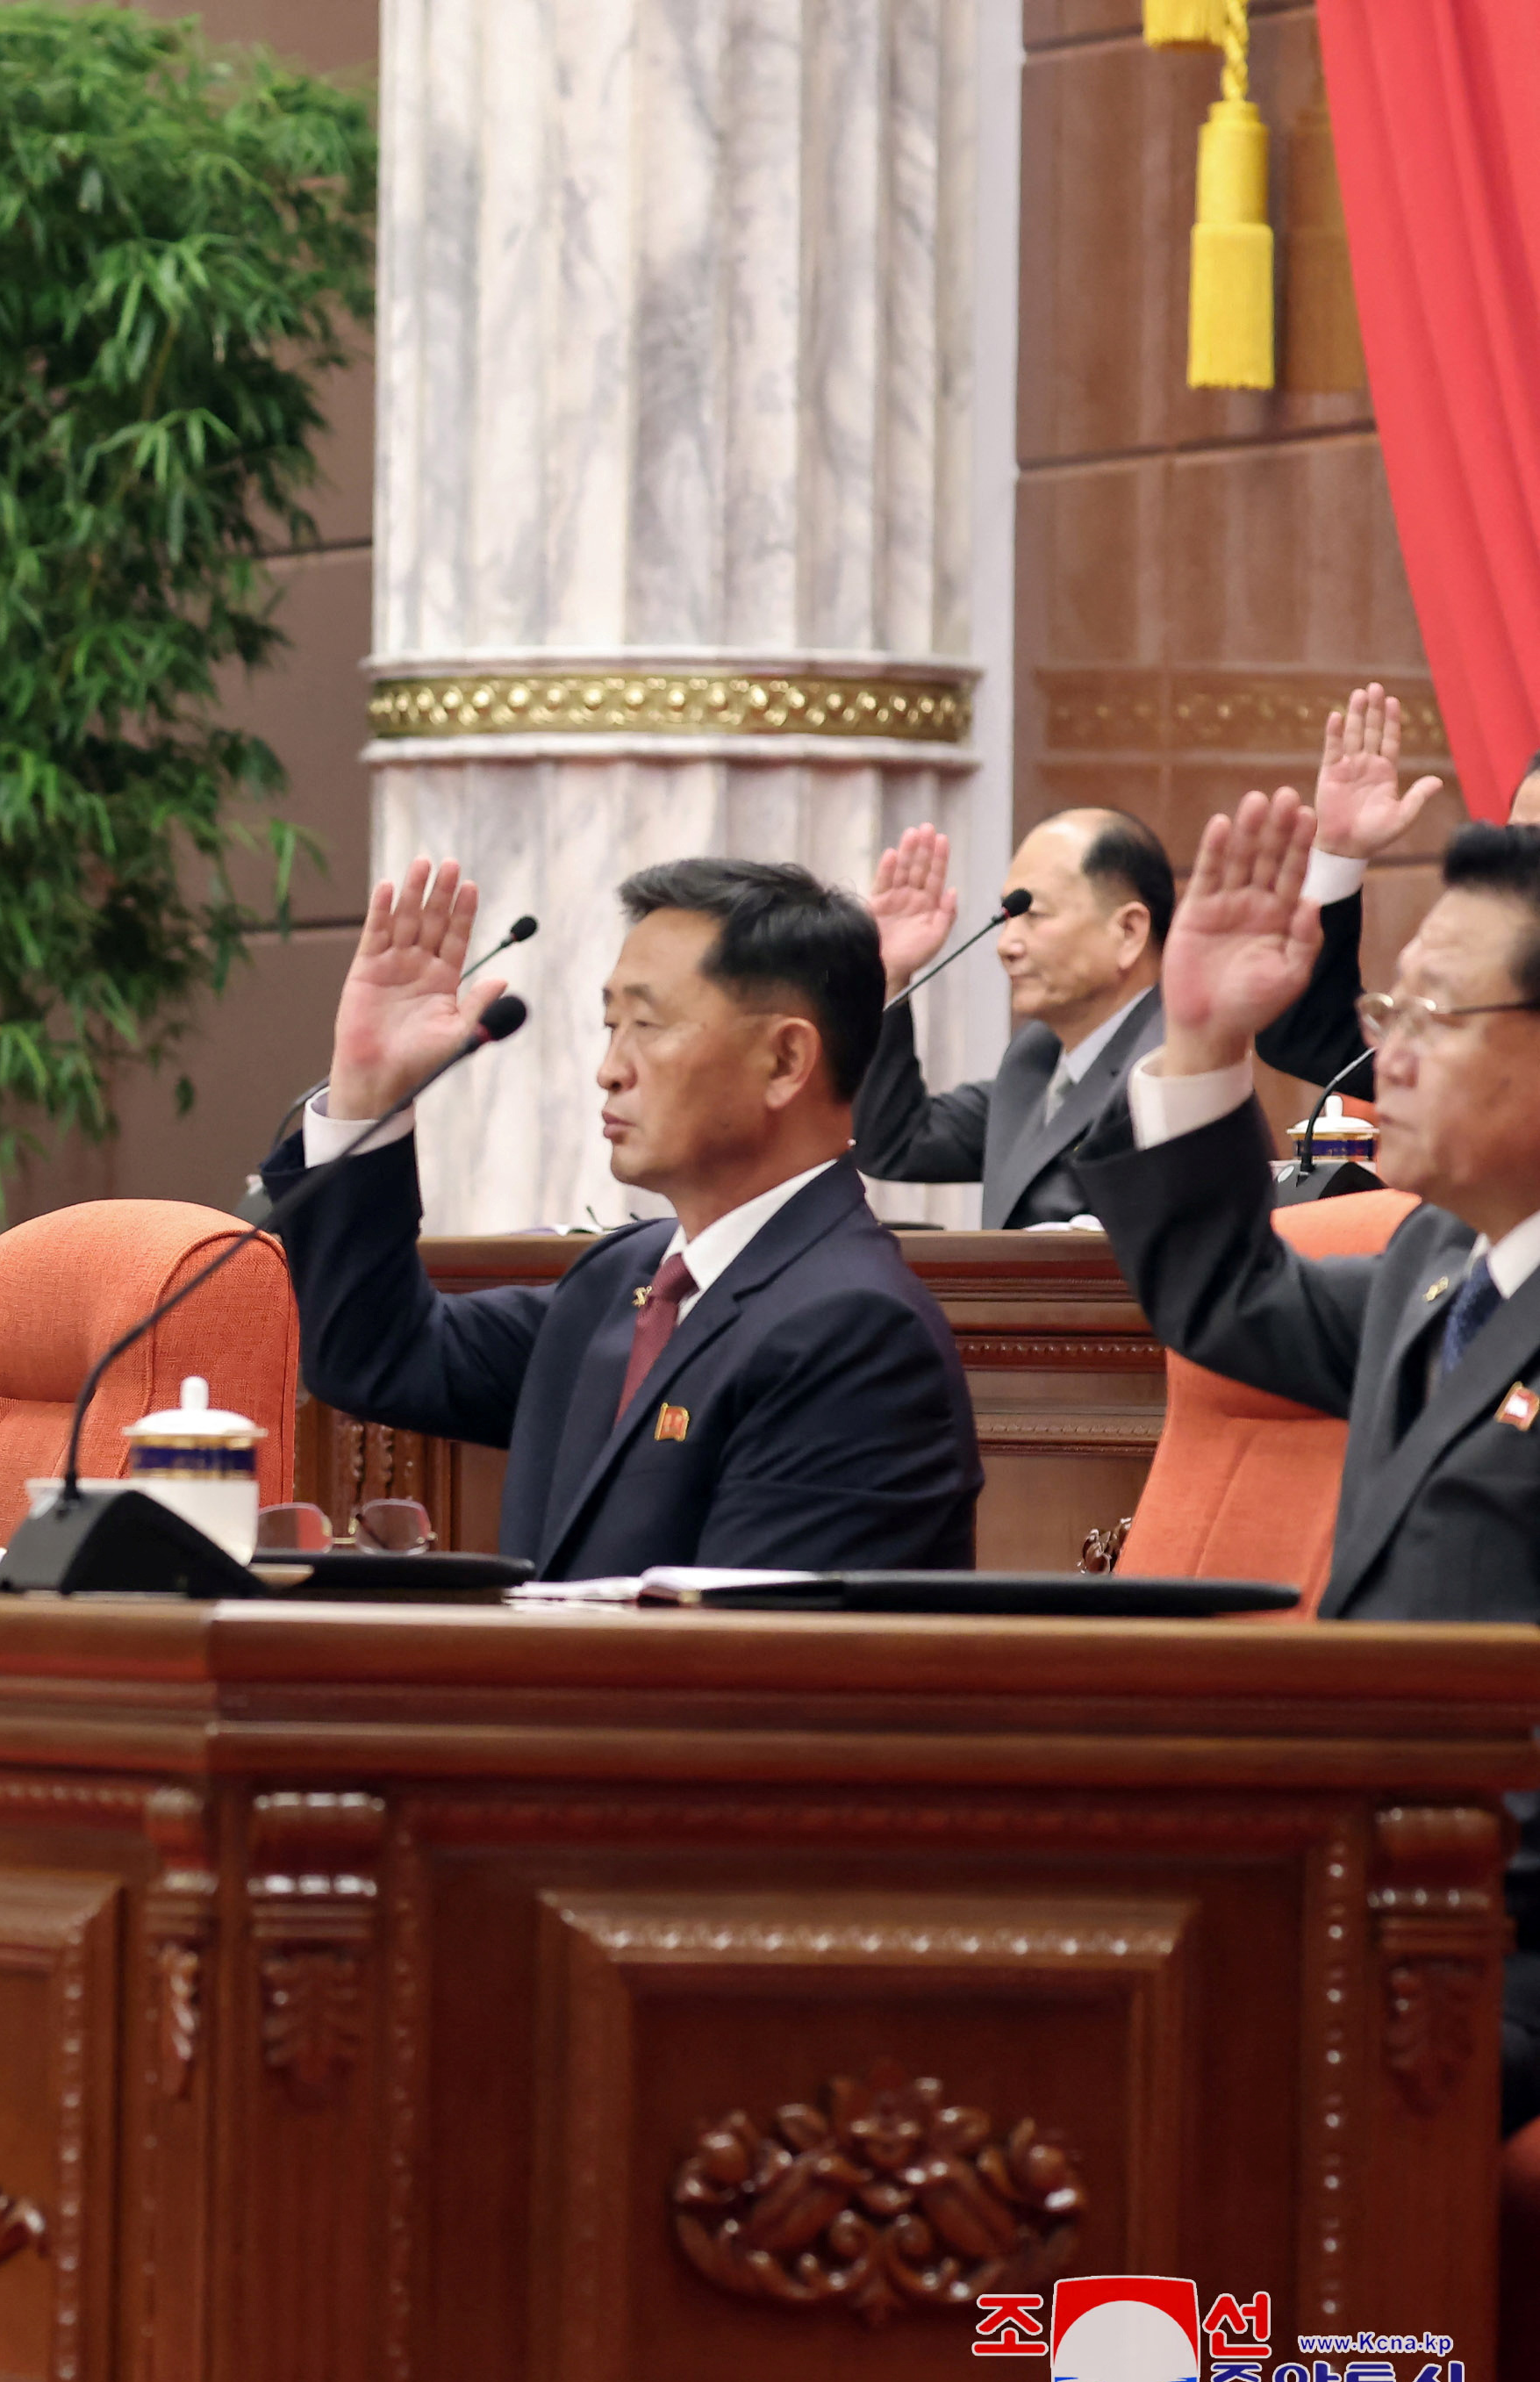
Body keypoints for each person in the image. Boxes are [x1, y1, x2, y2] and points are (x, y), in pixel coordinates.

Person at [1075, 791, 1540, 2132]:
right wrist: (1208, 1037)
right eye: (1383, 1014)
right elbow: (1224, 1297)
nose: (1381, 1056)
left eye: (1432, 1017)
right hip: (1379, 1894)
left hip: (1492, 1948)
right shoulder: (1436, 1259)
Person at [260, 857, 980, 1577]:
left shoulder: (855, 1331)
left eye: (646, 1023)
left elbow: (750, 1662)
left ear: (786, 1059)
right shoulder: (624, 1279)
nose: (610, 1067)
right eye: (610, 1023)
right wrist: (365, 1087)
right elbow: (376, 1356)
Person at [854, 686, 1437, 1225]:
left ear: (1130, 931)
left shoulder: (1176, 1067)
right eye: (1007, 918)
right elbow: (898, 1142)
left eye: (1034, 915)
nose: (1007, 944)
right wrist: (887, 973)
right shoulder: (1036, 1060)